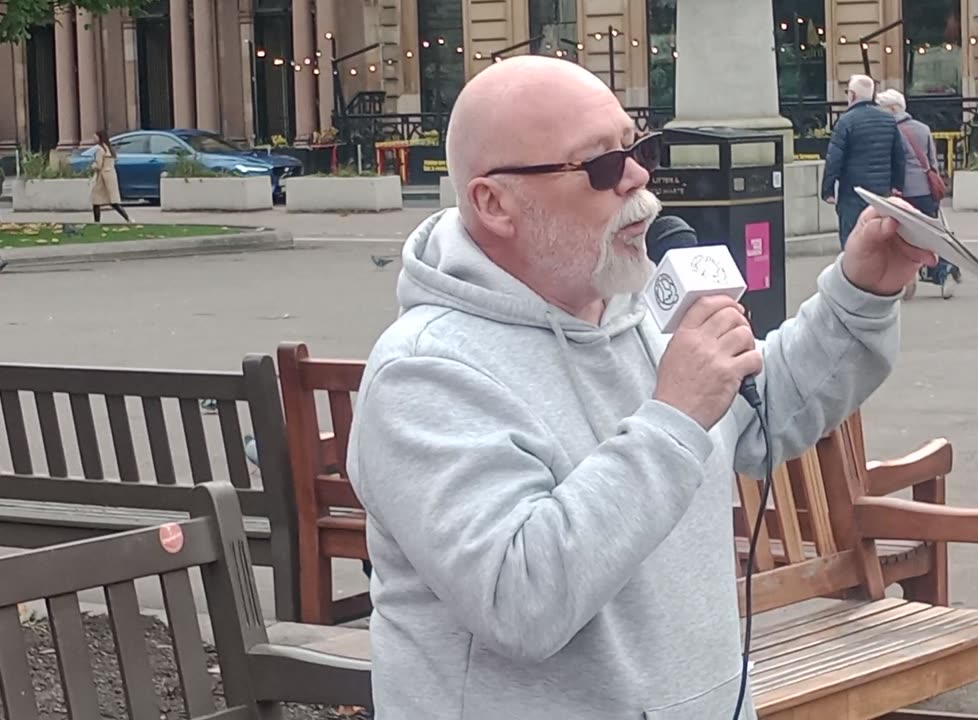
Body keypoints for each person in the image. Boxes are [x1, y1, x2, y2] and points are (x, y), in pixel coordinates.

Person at [346, 55, 933, 720]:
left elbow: (759, 408)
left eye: (637, 146)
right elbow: (521, 601)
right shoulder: (425, 372)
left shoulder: (630, 301)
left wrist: (859, 294)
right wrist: (674, 415)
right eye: (599, 166)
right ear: (494, 202)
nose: (637, 178)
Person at [877, 88, 960, 299]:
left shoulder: (889, 131)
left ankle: (907, 278)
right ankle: (944, 269)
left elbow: (891, 163)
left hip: (902, 191)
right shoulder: (923, 129)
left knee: (901, 236)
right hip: (925, 189)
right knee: (930, 235)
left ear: (893, 109)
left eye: (882, 108)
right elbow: (932, 161)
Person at [821, 74, 906, 248]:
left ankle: (854, 274)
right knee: (877, 241)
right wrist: (897, 185)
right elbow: (899, 156)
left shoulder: (845, 121)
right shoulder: (888, 120)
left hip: (853, 193)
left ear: (852, 95)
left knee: (852, 242)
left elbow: (834, 159)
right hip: (880, 193)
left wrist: (827, 191)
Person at [89, 130, 131, 223]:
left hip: (101, 178)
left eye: (95, 137)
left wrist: (92, 166)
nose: (93, 138)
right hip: (110, 175)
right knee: (113, 200)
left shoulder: (99, 150)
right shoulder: (109, 148)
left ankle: (97, 221)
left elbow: (98, 165)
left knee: (96, 200)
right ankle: (127, 218)